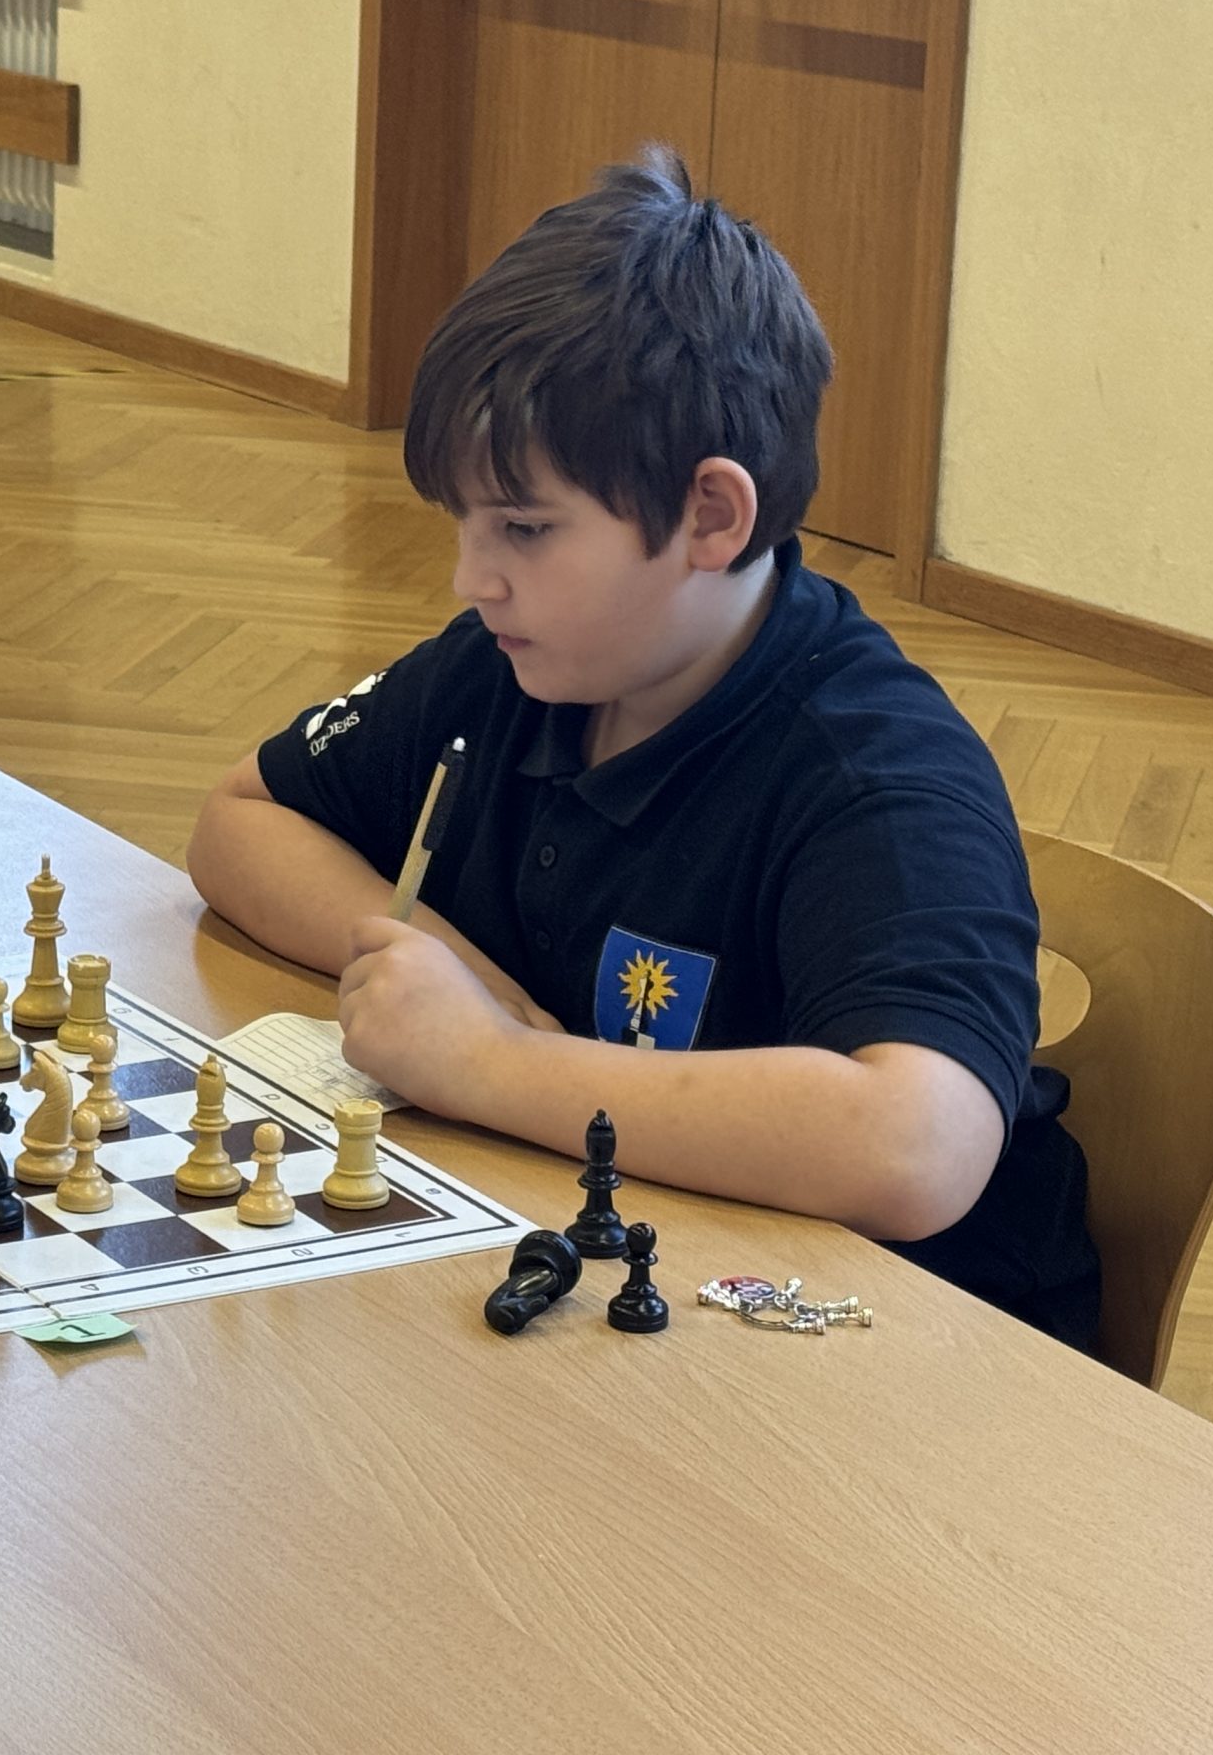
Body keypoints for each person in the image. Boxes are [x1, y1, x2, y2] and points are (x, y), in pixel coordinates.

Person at [188, 149, 1099, 1344]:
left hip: (908, 1359)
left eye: (523, 528)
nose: (471, 578)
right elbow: (243, 820)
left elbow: (915, 1147)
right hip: (616, 1276)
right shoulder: (515, 663)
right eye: (465, 523)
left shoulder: (871, 774)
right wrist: (465, 986)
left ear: (709, 516)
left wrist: (491, 1061)